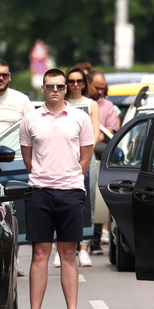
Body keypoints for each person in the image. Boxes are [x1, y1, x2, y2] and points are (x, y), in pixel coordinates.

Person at [18, 68, 95, 309]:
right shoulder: (30, 119)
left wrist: (73, 177)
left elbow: (86, 155)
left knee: (68, 254)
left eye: (60, 87)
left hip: (71, 191)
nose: (55, 91)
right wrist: (43, 176)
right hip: (39, 191)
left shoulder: (79, 118)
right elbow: (28, 157)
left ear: (67, 89)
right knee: (40, 254)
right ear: (42, 88)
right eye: (50, 86)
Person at [52, 66, 100, 268]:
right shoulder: (59, 104)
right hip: (62, 160)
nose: (75, 85)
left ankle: (84, 248)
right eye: (71, 81)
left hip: (87, 159)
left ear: (84, 83)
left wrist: (84, 156)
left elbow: (95, 134)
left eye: (79, 81)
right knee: (59, 203)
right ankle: (60, 247)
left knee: (87, 203)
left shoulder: (91, 104)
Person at [86, 69, 119, 252]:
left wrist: (91, 140)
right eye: (96, 87)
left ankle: (95, 240)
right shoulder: (81, 104)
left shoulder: (108, 106)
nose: (99, 91)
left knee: (98, 201)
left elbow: (111, 132)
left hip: (99, 156)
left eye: (102, 88)